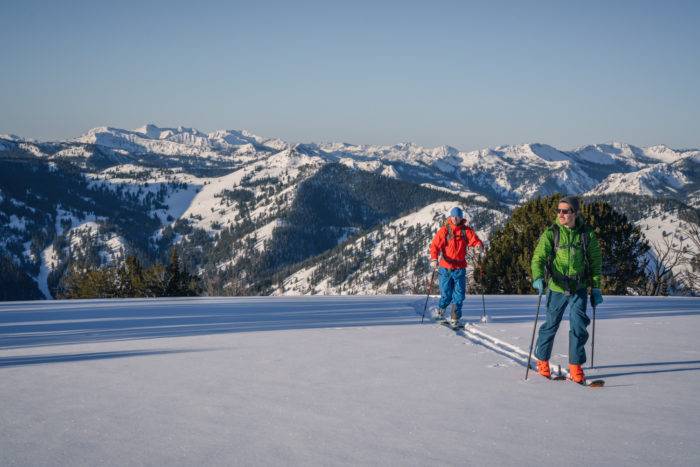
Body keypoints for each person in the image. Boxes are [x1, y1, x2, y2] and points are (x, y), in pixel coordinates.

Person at [530, 196, 603, 383]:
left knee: (579, 326)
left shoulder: (586, 234)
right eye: (559, 210)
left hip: (578, 288)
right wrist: (538, 277)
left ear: (575, 213)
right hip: (556, 287)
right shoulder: (551, 233)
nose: (561, 214)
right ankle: (542, 360)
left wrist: (596, 288)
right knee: (551, 325)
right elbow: (538, 257)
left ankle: (575, 366)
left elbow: (595, 262)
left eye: (565, 211)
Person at [429, 207, 484, 326]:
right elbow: (434, 246)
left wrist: (478, 246)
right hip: (445, 267)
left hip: (459, 268)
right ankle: (441, 311)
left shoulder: (466, 231)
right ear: (450, 217)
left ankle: (455, 317)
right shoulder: (444, 230)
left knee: (459, 294)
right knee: (447, 294)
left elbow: (475, 240)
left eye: (458, 216)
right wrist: (434, 258)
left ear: (461, 217)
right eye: (453, 216)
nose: (455, 219)